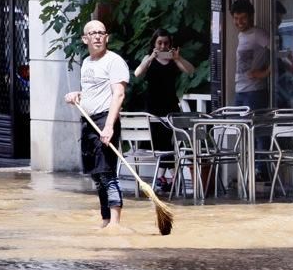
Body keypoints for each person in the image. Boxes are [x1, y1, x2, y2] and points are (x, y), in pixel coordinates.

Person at [64, 20, 130, 231]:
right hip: (89, 122)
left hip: (105, 120)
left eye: (101, 32)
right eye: (93, 33)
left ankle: (116, 223)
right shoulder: (86, 63)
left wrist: (109, 126)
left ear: (106, 37)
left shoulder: (114, 61)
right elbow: (92, 92)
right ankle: (105, 220)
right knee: (96, 175)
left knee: (107, 173)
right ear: (85, 39)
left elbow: (118, 94)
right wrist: (77, 95)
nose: (97, 37)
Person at [133, 28, 195, 189]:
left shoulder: (174, 60)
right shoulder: (149, 58)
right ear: (154, 43)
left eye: (166, 43)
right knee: (161, 141)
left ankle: (162, 177)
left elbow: (190, 71)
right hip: (153, 104)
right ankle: (169, 175)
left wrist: (178, 57)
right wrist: (151, 58)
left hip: (170, 104)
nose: (162, 46)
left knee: (169, 138)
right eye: (159, 43)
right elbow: (137, 73)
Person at [230, 0, 271, 111]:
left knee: (249, 127)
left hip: (254, 92)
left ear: (251, 16)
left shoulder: (258, 33)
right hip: (240, 90)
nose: (239, 22)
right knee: (238, 127)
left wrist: (265, 73)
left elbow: (279, 53)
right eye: (236, 18)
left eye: (243, 18)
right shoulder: (241, 35)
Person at [273, 0, 293, 108]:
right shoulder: (271, 33)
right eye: (277, 18)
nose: (279, 21)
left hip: (280, 77)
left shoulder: (277, 33)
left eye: (280, 18)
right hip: (275, 78)